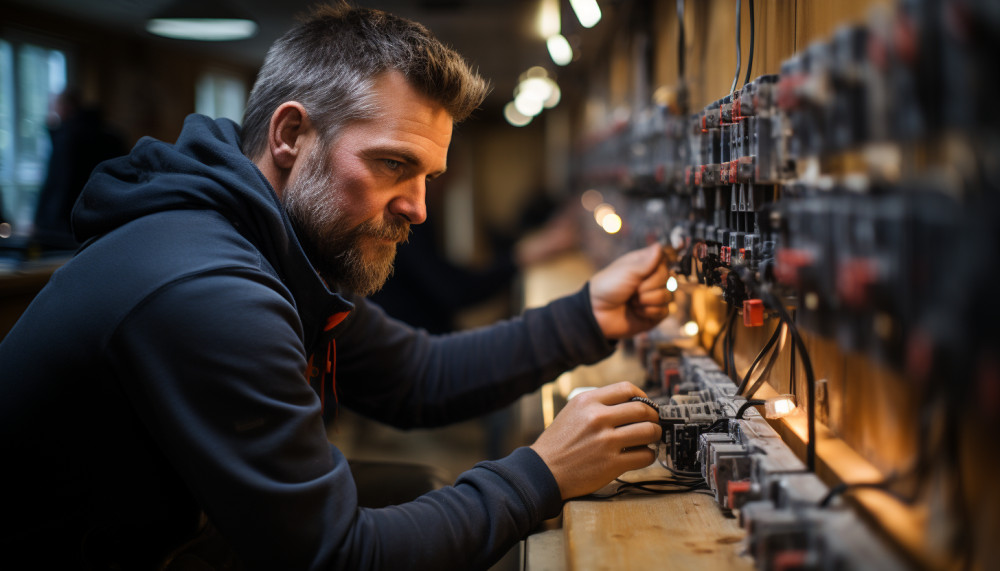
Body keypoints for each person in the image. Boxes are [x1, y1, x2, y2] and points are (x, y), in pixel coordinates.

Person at [0, 4, 671, 570]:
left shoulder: (275, 246)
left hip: (167, 534)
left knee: (415, 485)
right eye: (391, 164)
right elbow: (336, 555)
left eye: (427, 177)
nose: (418, 208)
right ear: (291, 135)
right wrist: (542, 474)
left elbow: (416, 376)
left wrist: (590, 314)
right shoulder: (209, 285)